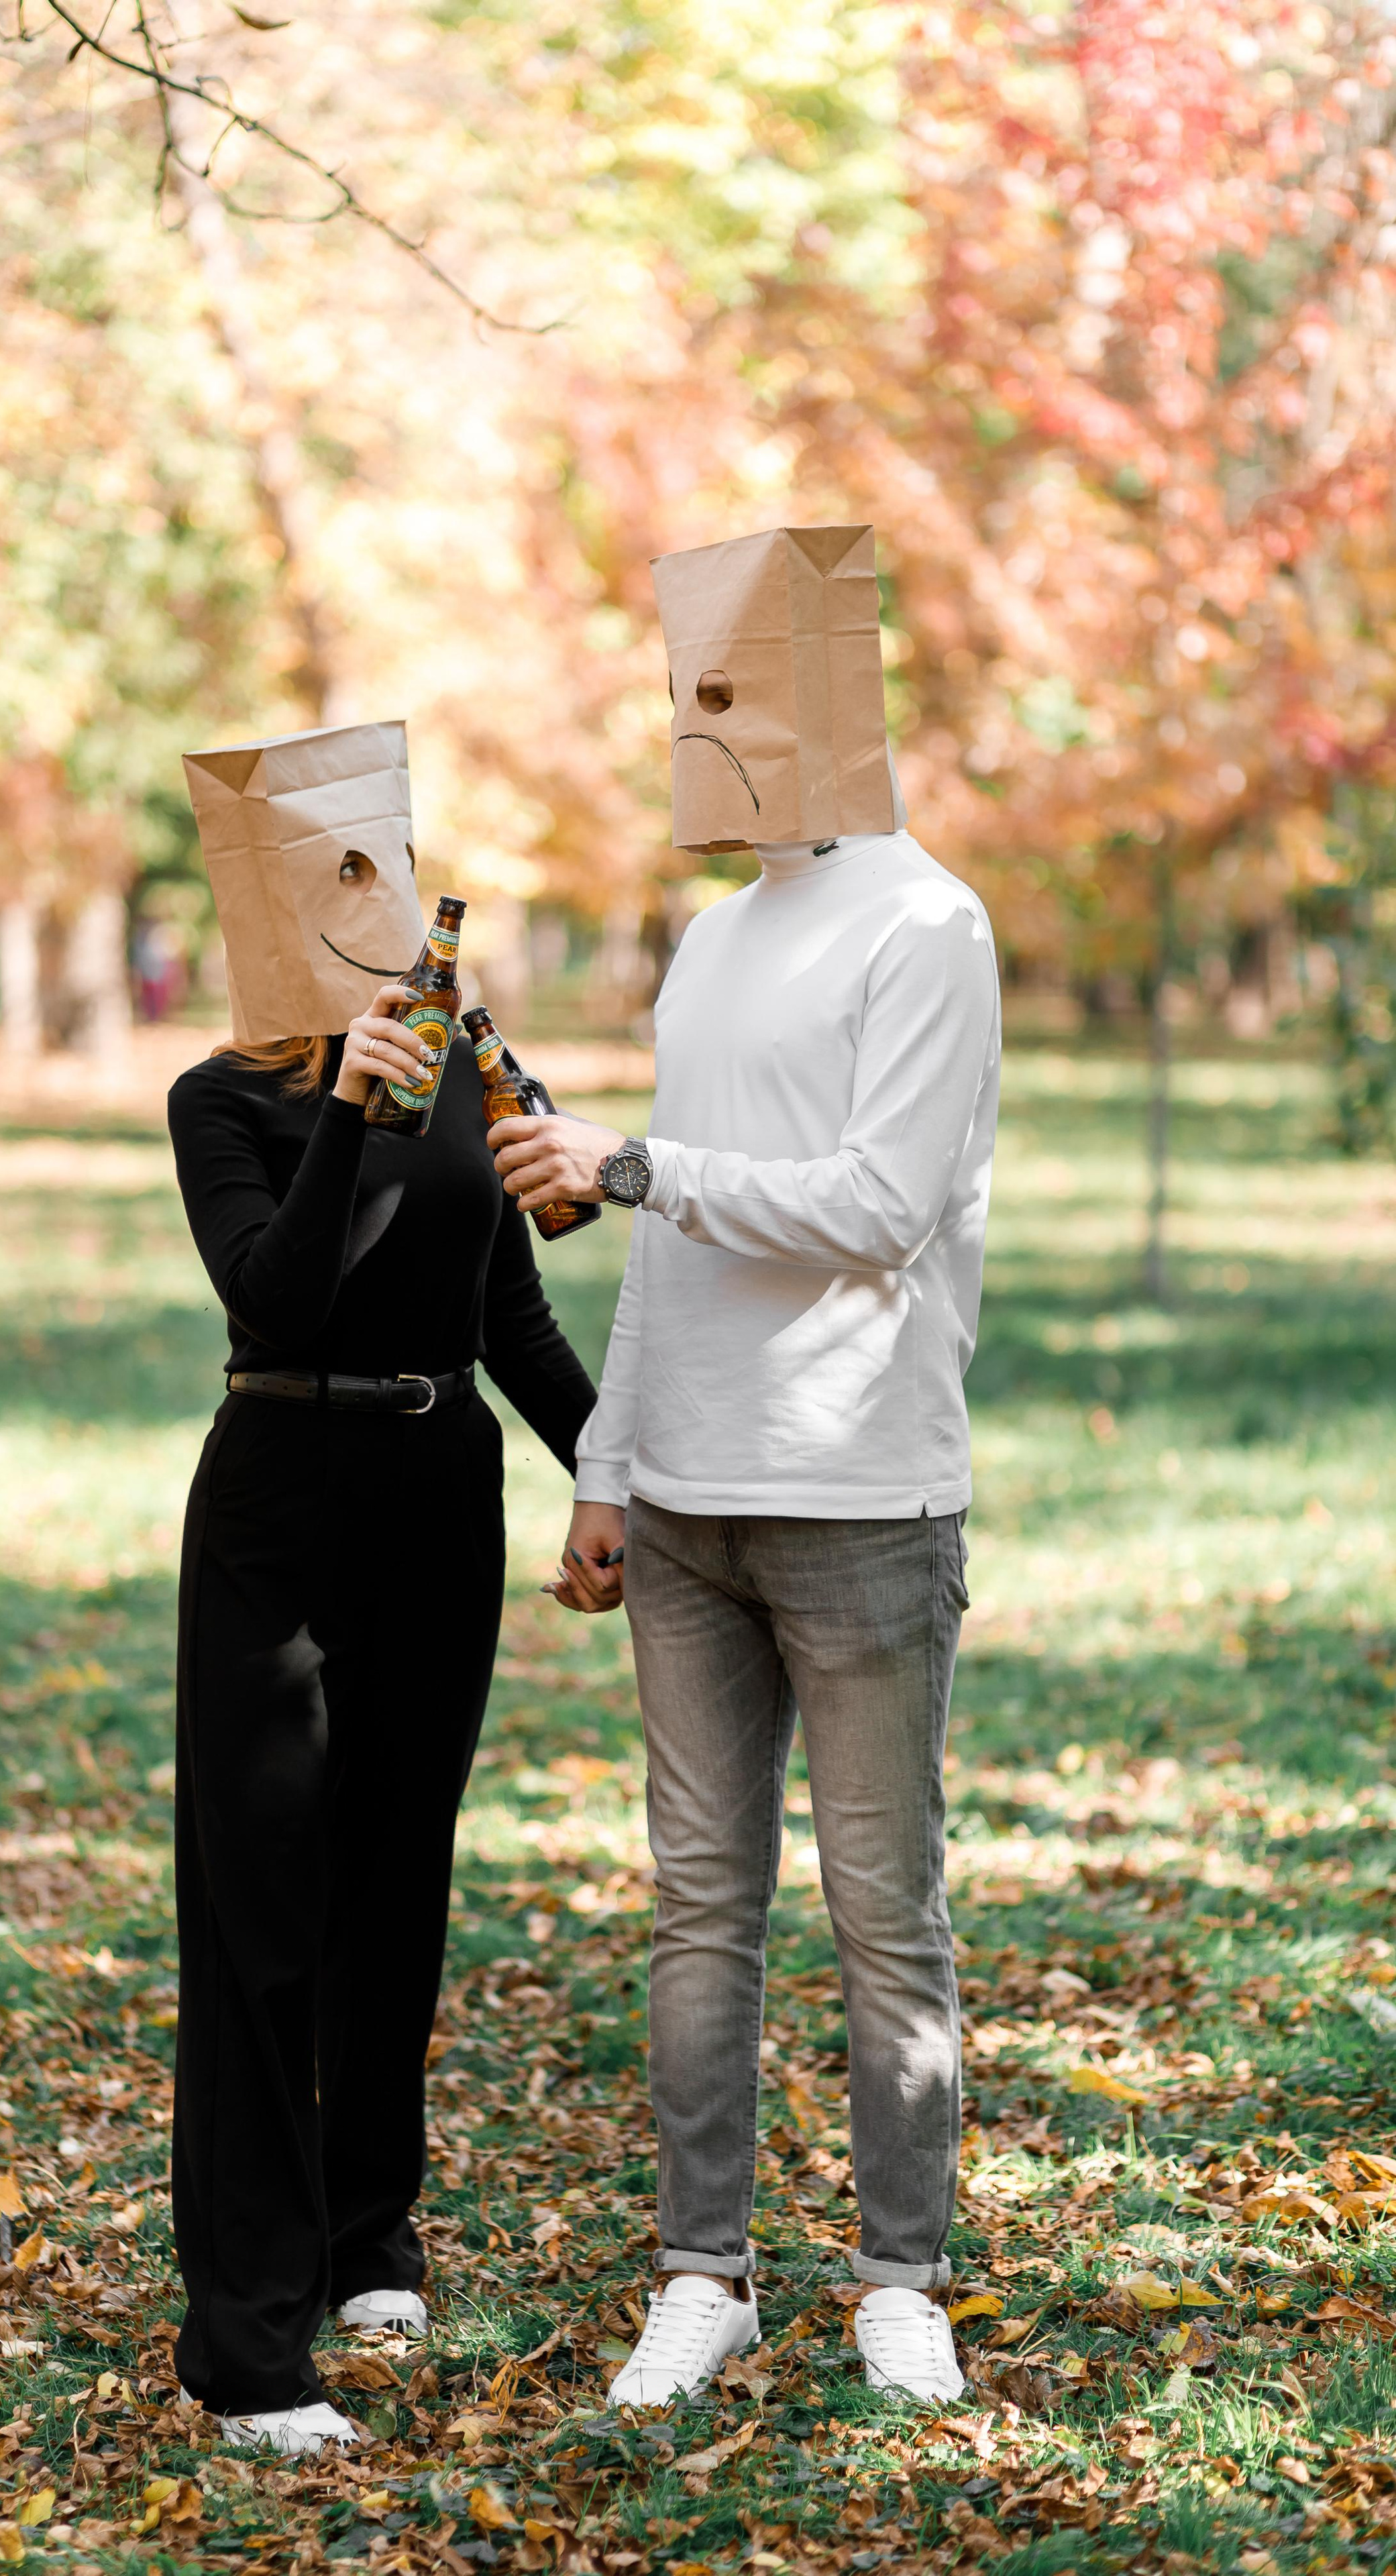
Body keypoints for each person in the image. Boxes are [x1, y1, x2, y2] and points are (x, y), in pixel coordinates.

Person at [489, 527, 1002, 2408]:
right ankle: (702, 2274)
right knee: (699, 1908)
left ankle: (900, 2281)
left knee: (885, 1908)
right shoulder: (712, 937)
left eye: (724, 696)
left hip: (863, 1496)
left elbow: (877, 1210)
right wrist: (611, 1465)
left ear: (825, 697)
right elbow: (672, 1240)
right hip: (688, 1506)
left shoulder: (927, 925)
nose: (697, 730)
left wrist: (636, 1163)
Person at [168, 722, 598, 2457]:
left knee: (396, 1880)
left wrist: (618, 1476)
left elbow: (516, 1325)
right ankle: (251, 2347)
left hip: (442, 1499)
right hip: (279, 1497)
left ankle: (371, 2233)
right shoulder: (224, 1097)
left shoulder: (478, 1077)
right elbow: (275, 1299)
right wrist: (349, 1103)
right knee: (260, 1910)